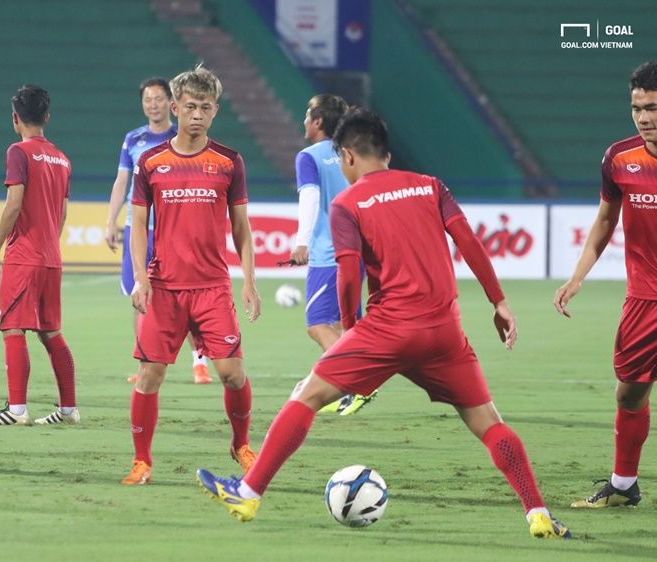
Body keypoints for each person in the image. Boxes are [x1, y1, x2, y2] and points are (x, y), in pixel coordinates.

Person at [198, 109, 571, 539]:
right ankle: (537, 512)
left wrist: (351, 328)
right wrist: (498, 301)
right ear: (387, 154)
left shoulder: (346, 203)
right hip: (444, 332)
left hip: (388, 329)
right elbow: (468, 241)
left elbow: (348, 274)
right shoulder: (430, 186)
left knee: (307, 395)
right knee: (489, 422)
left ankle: (248, 492)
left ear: (347, 156)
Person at [121, 65, 261, 485]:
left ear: (215, 110)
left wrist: (249, 281)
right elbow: (139, 225)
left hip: (212, 288)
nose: (197, 114)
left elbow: (242, 227)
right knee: (150, 376)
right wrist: (141, 279)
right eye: (190, 107)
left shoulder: (229, 161)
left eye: (205, 107)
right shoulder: (151, 162)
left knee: (231, 373)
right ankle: (142, 461)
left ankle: (241, 444)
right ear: (175, 108)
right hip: (164, 287)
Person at [555, 60, 657, 509]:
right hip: (644, 300)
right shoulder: (619, 158)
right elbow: (603, 221)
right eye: (637, 108)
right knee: (629, 391)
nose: (643, 117)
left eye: (652, 107)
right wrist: (577, 277)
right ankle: (623, 485)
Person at [0, 84, 79, 427]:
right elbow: (62, 212)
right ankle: (68, 410)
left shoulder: (18, 152)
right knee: (51, 332)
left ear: (15, 119)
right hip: (51, 258)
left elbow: (14, 203)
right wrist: (48, 243)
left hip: (24, 257)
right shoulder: (62, 158)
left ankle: (17, 409)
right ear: (47, 117)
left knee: (13, 328)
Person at [104, 78, 211, 385]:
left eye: (158, 99)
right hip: (137, 228)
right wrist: (111, 220)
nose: (153, 105)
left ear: (171, 103)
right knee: (138, 294)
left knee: (182, 298)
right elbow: (121, 182)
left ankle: (199, 362)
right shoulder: (133, 139)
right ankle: (145, 364)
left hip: (172, 230)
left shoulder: (182, 138)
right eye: (147, 100)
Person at [288, 94, 376, 416]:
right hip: (359, 251)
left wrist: (302, 242)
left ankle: (360, 384)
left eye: (307, 115)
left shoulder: (309, 157)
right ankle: (347, 389)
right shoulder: (352, 153)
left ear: (318, 121)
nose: (304, 121)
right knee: (345, 325)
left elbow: (310, 198)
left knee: (317, 324)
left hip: (329, 254)